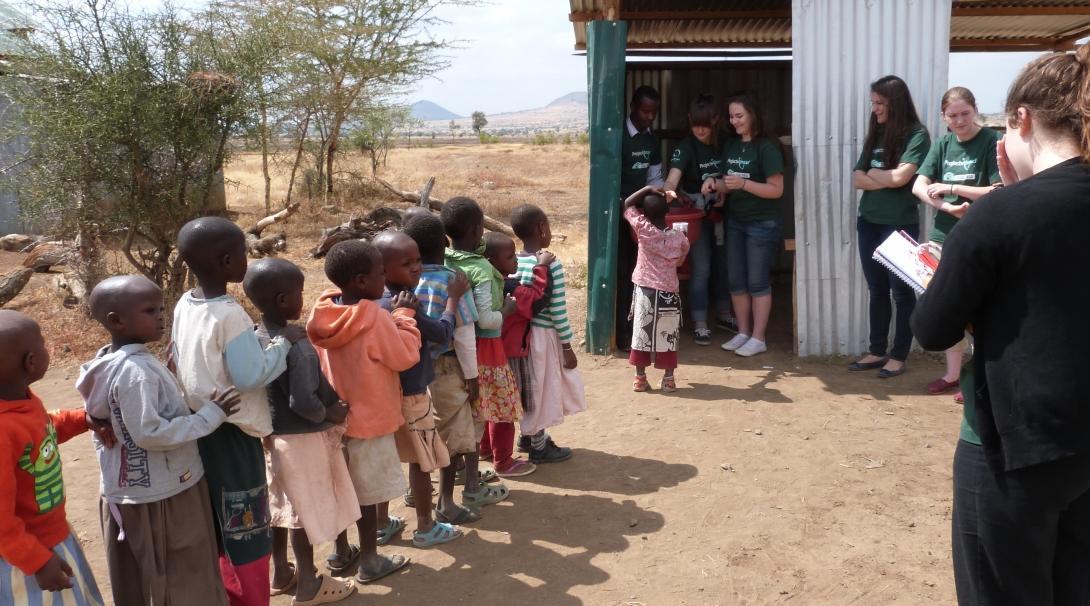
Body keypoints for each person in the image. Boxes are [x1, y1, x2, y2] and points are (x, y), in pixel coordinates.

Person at [911, 44, 1090, 605]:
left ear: (1022, 120)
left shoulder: (1000, 213)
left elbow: (933, 329)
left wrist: (951, 282)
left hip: (1014, 449)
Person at [77, 275, 239, 606]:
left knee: (145, 579)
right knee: (182, 573)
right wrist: (211, 415)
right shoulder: (136, 372)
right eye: (151, 310)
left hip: (132, 491)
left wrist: (164, 372)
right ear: (116, 320)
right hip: (163, 496)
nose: (161, 316)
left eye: (162, 308)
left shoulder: (106, 363)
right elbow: (149, 432)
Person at [173, 217, 302, 606]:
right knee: (245, 522)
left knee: (218, 517)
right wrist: (283, 343)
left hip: (203, 426)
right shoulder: (230, 315)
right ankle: (251, 597)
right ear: (228, 260)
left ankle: (225, 593)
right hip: (234, 431)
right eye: (244, 253)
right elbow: (250, 375)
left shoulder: (185, 302)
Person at [242, 259, 358, 604]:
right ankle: (309, 582)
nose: (301, 300)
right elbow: (303, 401)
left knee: (280, 506)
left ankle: (281, 572)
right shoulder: (299, 345)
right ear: (282, 300)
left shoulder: (253, 338)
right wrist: (332, 413)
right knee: (301, 513)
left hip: (271, 437)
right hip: (302, 439)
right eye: (298, 294)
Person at [307, 239, 416, 584]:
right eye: (380, 273)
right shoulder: (376, 319)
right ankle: (370, 559)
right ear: (359, 281)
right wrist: (405, 317)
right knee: (367, 497)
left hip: (332, 421)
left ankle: (341, 553)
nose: (385, 279)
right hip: (369, 422)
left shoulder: (322, 314)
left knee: (340, 489)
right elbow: (404, 356)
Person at [0, 310, 110, 606]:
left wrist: (80, 420)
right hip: (23, 557)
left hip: (52, 535)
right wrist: (36, 561)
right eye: (43, 344)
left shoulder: (20, 399)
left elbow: (40, 430)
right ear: (31, 362)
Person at [401, 214, 504, 521]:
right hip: (448, 367)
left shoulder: (404, 281)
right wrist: (472, 377)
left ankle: (414, 491)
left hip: (413, 370)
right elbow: (464, 334)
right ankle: (447, 502)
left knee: (419, 430)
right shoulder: (453, 281)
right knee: (454, 435)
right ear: (444, 244)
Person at [373, 230, 468, 546]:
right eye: (407, 264)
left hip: (383, 397)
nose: (416, 268)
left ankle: (382, 523)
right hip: (412, 395)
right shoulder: (404, 303)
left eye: (417, 261)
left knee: (385, 459)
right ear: (383, 271)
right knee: (421, 461)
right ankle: (426, 526)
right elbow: (442, 333)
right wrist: (453, 299)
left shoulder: (373, 302)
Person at [911, 87, 1001, 399]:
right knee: (946, 304)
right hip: (943, 236)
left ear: (975, 110)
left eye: (965, 113)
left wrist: (952, 187)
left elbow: (997, 190)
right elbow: (919, 185)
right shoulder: (943, 143)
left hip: (980, 236)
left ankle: (979, 376)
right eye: (953, 116)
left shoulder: (991, 141)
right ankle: (952, 374)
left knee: (981, 308)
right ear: (943, 118)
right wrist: (945, 206)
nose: (960, 120)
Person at [442, 197, 535, 478]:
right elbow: (486, 319)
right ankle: (503, 461)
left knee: (480, 404)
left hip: (462, 348)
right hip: (488, 347)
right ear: (476, 230)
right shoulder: (481, 269)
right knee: (503, 406)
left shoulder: (450, 259)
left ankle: (484, 449)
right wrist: (506, 309)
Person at [849, 76, 931, 378]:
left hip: (899, 224)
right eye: (873, 102)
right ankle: (877, 350)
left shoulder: (917, 135)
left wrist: (874, 173)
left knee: (901, 292)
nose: (875, 109)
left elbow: (902, 178)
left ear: (895, 103)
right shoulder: (877, 131)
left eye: (880, 103)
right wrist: (884, 176)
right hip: (868, 221)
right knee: (877, 289)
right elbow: (857, 178)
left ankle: (899, 355)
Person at [705, 92, 786, 357]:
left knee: (757, 281)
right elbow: (729, 183)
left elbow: (776, 190)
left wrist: (743, 184)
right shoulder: (731, 145)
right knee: (736, 279)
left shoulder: (767, 147)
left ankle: (758, 337)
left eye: (739, 116)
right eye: (731, 116)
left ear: (753, 115)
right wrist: (714, 185)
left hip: (762, 223)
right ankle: (742, 332)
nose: (734, 121)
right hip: (736, 220)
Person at [511, 204, 586, 458]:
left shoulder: (513, 261)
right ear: (542, 228)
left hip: (521, 337)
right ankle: (539, 447)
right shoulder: (550, 262)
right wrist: (567, 345)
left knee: (528, 386)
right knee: (542, 388)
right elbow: (558, 309)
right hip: (543, 337)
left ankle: (526, 436)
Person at [663, 93, 734, 345]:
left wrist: (722, 188)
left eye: (705, 124)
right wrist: (669, 188)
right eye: (696, 124)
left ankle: (725, 314)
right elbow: (673, 175)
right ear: (690, 120)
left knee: (725, 263)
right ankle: (700, 322)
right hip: (697, 214)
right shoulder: (686, 146)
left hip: (726, 212)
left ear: (716, 120)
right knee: (701, 266)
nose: (700, 129)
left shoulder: (726, 142)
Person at [489, 233, 559, 459]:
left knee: (492, 405)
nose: (517, 260)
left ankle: (488, 449)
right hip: (513, 355)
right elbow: (538, 299)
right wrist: (542, 267)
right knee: (523, 401)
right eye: (511, 257)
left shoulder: (486, 285)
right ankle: (536, 446)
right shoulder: (510, 288)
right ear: (492, 262)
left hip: (495, 352)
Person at [621, 187, 691, 391]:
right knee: (668, 335)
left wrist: (648, 189)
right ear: (667, 212)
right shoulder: (679, 238)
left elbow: (627, 204)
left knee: (642, 334)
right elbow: (680, 261)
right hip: (669, 292)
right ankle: (668, 380)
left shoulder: (643, 230)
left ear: (644, 214)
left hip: (645, 292)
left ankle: (640, 379)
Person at [617, 85, 666, 350]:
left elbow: (655, 178)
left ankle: (641, 329)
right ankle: (622, 332)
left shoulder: (651, 139)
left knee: (642, 273)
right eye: (645, 111)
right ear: (633, 107)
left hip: (641, 216)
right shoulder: (619, 136)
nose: (649, 117)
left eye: (654, 113)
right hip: (619, 211)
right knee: (624, 273)